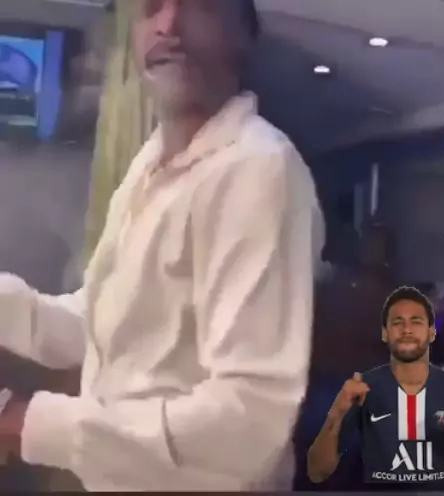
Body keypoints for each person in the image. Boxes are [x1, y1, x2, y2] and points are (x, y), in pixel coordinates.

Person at [0, 0, 323, 491]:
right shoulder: (149, 163)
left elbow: (249, 421)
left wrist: (27, 424)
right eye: (151, 7)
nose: (167, 24)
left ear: (244, 34)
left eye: (198, 5)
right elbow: (100, 323)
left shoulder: (259, 167)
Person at [307, 286, 444, 491]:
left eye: (416, 322)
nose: (407, 330)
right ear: (385, 333)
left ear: (431, 332)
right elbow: (317, 471)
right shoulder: (362, 390)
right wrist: (336, 413)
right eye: (398, 322)